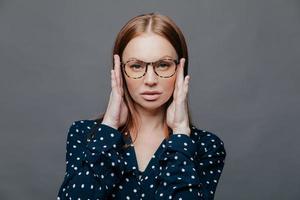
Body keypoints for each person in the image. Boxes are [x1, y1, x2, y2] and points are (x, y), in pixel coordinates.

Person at [57, 12, 226, 200]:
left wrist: (180, 134)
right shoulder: (85, 135)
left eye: (163, 65)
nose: (150, 80)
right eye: (136, 66)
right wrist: (109, 126)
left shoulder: (205, 146)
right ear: (120, 70)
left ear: (180, 70)